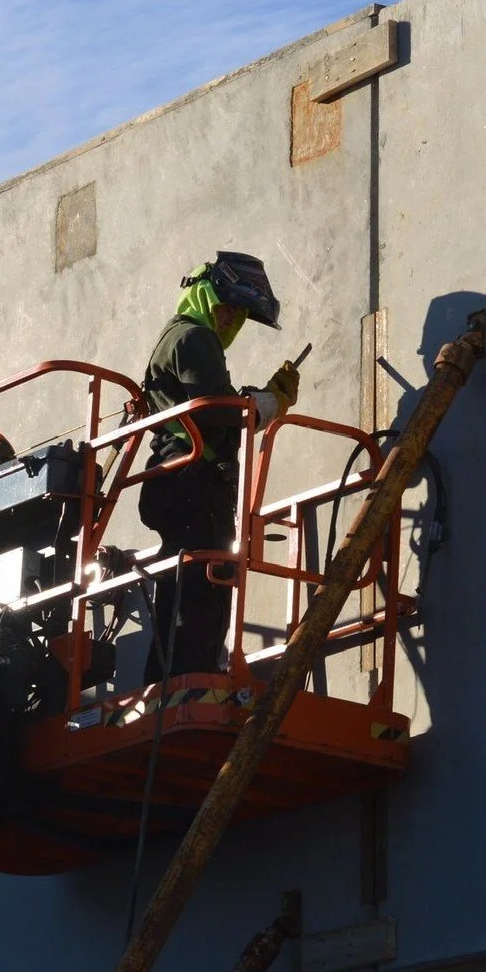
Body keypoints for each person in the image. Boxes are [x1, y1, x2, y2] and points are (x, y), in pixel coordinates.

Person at [138, 252, 300, 682]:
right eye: (225, 307)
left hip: (179, 481)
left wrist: (259, 403)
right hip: (192, 483)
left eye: (239, 314)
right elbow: (215, 411)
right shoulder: (194, 338)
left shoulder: (179, 338)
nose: (230, 320)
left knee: (185, 591)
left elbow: (213, 408)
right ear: (203, 295)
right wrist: (268, 404)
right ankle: (191, 680)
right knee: (203, 590)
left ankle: (170, 682)